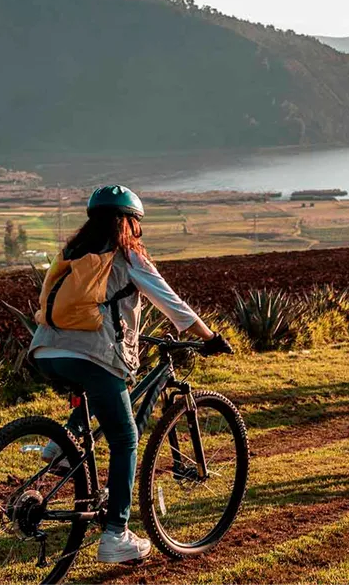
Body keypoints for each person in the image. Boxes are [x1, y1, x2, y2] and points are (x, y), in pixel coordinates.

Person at [29, 185, 232, 564]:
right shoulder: (127, 257)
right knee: (126, 438)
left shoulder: (73, 252)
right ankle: (116, 535)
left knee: (105, 387)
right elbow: (172, 303)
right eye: (136, 223)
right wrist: (210, 337)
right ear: (128, 223)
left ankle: (60, 446)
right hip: (91, 355)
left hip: (45, 351)